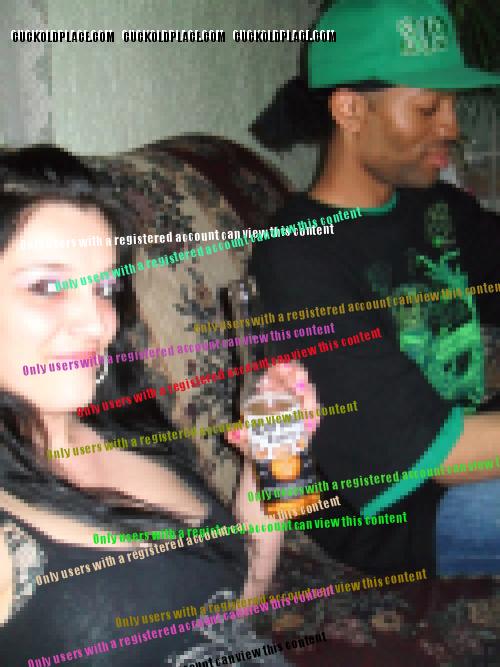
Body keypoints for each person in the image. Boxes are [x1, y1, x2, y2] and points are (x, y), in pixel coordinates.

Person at [0, 146, 288, 665]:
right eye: (47, 286)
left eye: (105, 287)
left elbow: (232, 615)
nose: (98, 323)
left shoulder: (131, 428)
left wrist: (261, 472)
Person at [243, 0, 500, 578]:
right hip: (405, 512)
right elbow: (432, 454)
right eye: (429, 107)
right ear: (350, 109)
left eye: (451, 105)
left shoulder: (435, 208)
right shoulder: (297, 255)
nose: (452, 128)